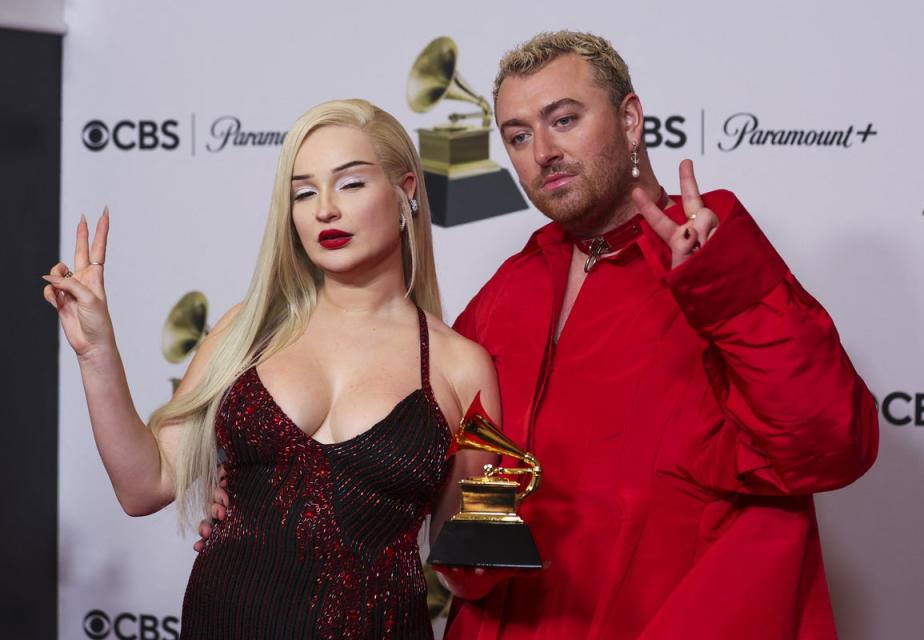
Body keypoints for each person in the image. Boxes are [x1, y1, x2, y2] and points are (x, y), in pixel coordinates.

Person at [432, 31, 879, 639]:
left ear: (630, 119)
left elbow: (832, 444)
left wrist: (722, 284)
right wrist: (471, 556)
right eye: (517, 135)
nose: (543, 151)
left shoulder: (714, 248)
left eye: (564, 120)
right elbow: (481, 472)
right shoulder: (507, 290)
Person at [42, 99, 498, 639]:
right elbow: (145, 485)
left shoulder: (460, 366)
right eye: (304, 193)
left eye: (350, 184)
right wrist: (96, 352)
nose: (325, 209)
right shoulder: (248, 330)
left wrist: (499, 507)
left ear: (406, 192)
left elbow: (469, 575)